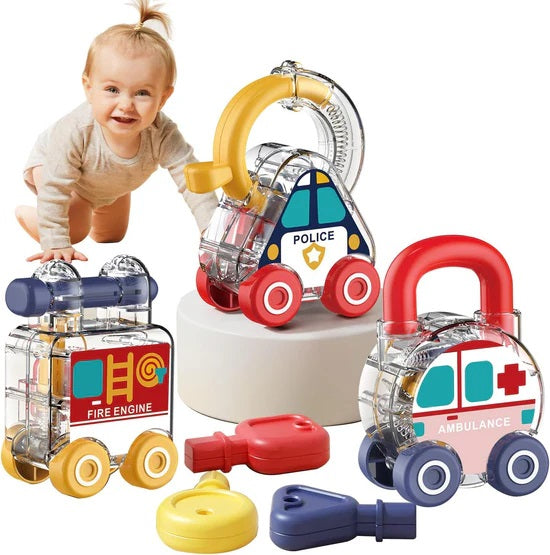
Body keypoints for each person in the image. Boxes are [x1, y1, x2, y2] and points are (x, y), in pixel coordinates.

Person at [16, 0, 218, 263]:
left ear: (163, 98)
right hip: (56, 169)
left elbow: (192, 179)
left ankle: (92, 208)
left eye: (142, 93)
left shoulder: (162, 134)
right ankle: (31, 215)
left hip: (112, 181)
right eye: (112, 90)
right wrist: (55, 240)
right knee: (76, 230)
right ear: (89, 88)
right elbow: (55, 186)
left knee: (111, 236)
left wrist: (213, 230)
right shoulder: (76, 131)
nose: (126, 105)